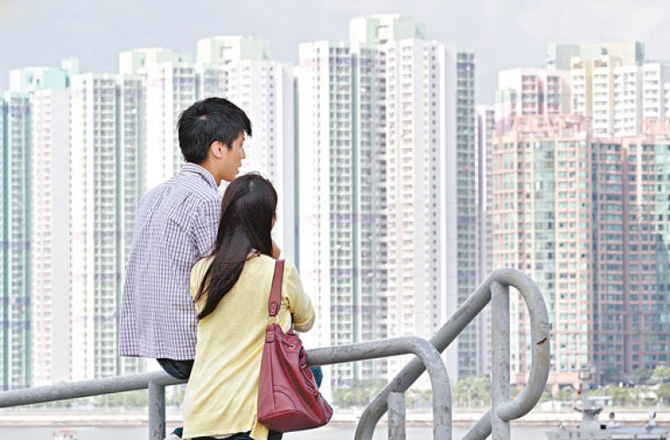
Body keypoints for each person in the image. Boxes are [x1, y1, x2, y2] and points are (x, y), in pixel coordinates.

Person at [119, 97, 251, 382]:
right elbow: (225, 278)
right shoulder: (207, 201)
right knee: (305, 373)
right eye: (240, 145)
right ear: (218, 149)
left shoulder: (153, 196)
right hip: (193, 347)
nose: (243, 155)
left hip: (161, 346)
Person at [182, 173, 315, 440]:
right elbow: (306, 321)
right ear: (270, 221)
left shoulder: (201, 272)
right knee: (313, 372)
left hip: (199, 415)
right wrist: (273, 261)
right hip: (250, 418)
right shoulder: (278, 272)